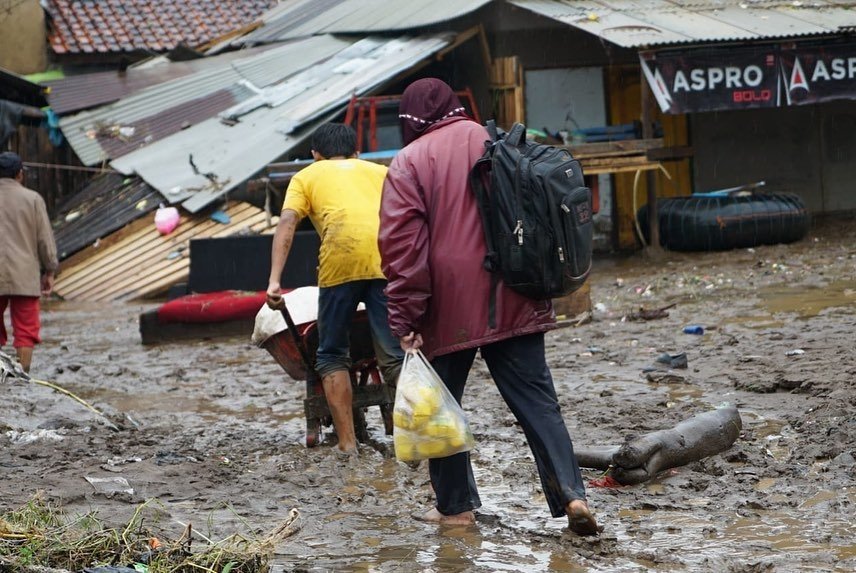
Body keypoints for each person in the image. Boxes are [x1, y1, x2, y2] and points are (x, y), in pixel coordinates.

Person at [378, 79, 600, 535]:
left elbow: (403, 251)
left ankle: (456, 509)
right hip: (516, 291)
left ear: (410, 118)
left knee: (440, 406)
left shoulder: (409, 162)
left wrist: (405, 318)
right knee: (538, 404)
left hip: (449, 305)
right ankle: (573, 495)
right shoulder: (497, 140)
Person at [266, 123, 404, 455]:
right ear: (356, 152)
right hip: (385, 261)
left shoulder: (307, 176)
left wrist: (274, 281)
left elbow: (287, 223)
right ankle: (415, 440)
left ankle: (347, 445)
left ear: (315, 155)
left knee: (330, 355)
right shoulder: (378, 172)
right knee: (395, 358)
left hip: (340, 261)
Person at [0, 152, 58, 373]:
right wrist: (50, 271)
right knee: (25, 328)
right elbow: (45, 239)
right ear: (20, 174)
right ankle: (22, 373)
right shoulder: (32, 199)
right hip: (24, 274)